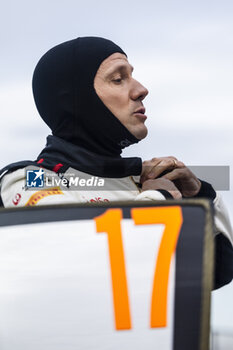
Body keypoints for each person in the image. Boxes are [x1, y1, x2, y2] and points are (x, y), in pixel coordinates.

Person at [0, 37, 232, 289]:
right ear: (77, 99)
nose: (141, 89)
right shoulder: (29, 180)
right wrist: (159, 201)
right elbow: (74, 262)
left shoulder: (141, 185)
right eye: (118, 79)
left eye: (132, 76)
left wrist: (199, 197)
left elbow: (213, 275)